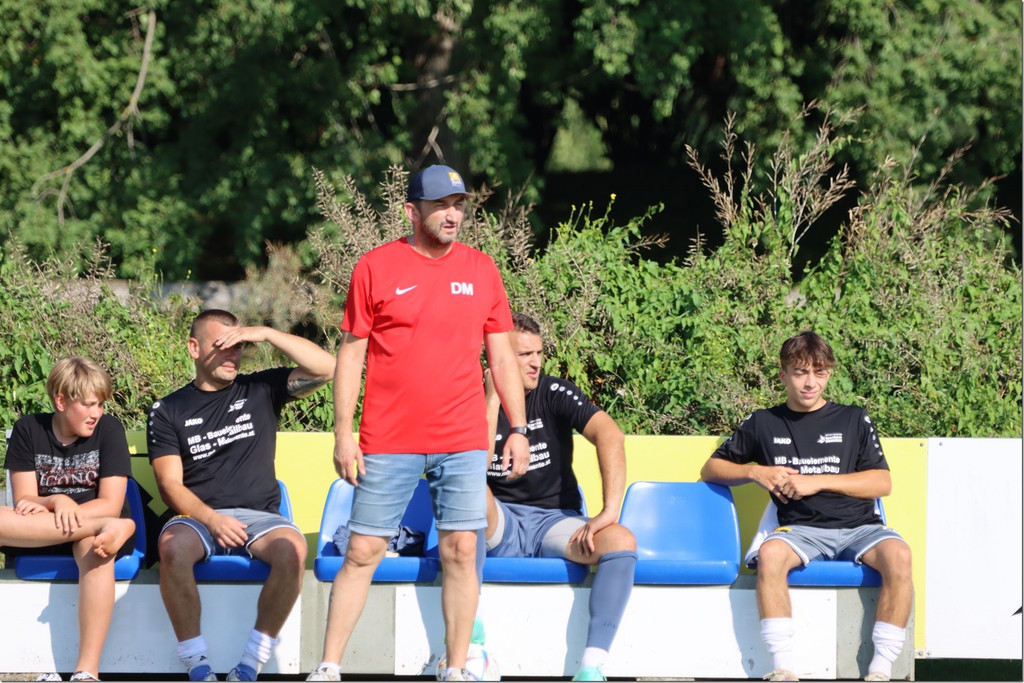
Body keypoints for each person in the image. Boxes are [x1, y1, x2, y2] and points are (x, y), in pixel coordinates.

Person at [305, 164, 530, 683]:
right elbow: (352, 355)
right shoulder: (375, 267)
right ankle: (328, 667)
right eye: (440, 206)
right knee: (363, 549)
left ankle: (457, 668)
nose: (453, 215)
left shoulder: (482, 269)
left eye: (458, 205)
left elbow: (501, 356)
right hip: (389, 439)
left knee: (462, 549)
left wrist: (517, 428)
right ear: (412, 210)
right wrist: (343, 433)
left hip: (462, 438)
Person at [699, 331, 913, 682]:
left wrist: (818, 481)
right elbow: (711, 469)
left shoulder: (853, 418)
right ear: (783, 376)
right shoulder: (763, 422)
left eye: (819, 372)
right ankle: (782, 668)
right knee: (770, 555)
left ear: (829, 374)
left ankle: (880, 670)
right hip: (799, 531)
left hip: (861, 529)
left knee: (900, 555)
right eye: (800, 373)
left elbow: (882, 483)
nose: (811, 382)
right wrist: (756, 472)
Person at [147, 310, 335, 682]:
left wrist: (265, 332)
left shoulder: (261, 388)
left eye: (239, 346)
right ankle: (197, 665)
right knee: (172, 546)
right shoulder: (167, 409)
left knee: (293, 550)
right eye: (222, 345)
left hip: (261, 518)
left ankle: (250, 665)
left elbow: (328, 368)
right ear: (194, 348)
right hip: (198, 518)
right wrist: (212, 519)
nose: (233, 355)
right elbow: (170, 486)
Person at [483, 313, 637, 682]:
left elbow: (611, 435)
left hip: (554, 522)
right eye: (524, 355)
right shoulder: (470, 396)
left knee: (621, 539)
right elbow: (471, 467)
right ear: (497, 357)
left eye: (539, 353)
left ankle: (591, 667)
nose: (536, 362)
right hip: (496, 522)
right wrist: (491, 398)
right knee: (467, 492)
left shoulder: (553, 391)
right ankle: (471, 652)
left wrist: (609, 511)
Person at [2, 356, 138, 683]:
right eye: (88, 405)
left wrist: (74, 517)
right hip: (48, 530)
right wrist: (56, 500)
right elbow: (24, 501)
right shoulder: (28, 429)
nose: (96, 413)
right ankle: (113, 527)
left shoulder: (109, 429)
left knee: (95, 545)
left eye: (100, 404)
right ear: (61, 402)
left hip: (92, 527)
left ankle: (86, 672)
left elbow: (110, 504)